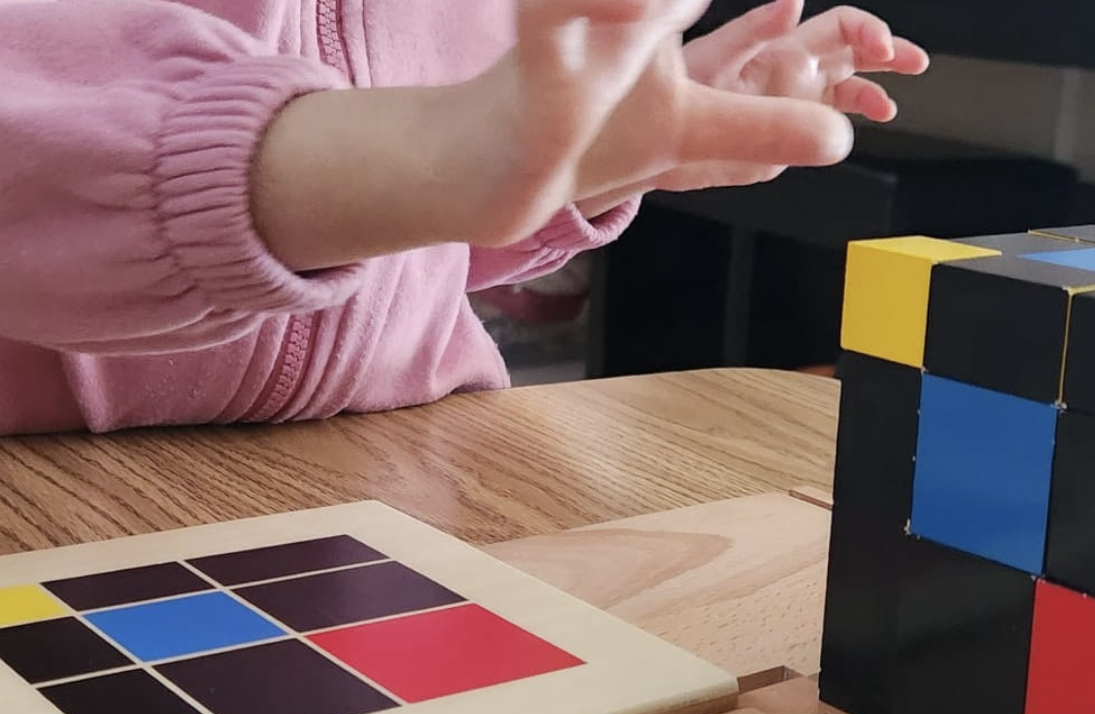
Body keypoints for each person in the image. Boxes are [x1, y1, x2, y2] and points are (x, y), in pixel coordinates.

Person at [0, 0, 928, 434]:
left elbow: (441, 240)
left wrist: (606, 140)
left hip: (410, 444)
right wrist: (434, 153)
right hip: (56, 478)